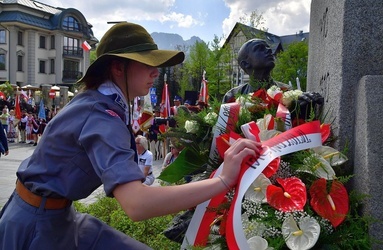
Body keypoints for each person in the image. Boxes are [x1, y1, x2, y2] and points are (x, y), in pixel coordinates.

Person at [0, 22, 261, 249]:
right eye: (147, 63)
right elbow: (137, 204)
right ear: (117, 68)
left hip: (55, 215)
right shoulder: (101, 114)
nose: (156, 72)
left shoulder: (103, 103)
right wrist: (224, 180)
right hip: (36, 226)